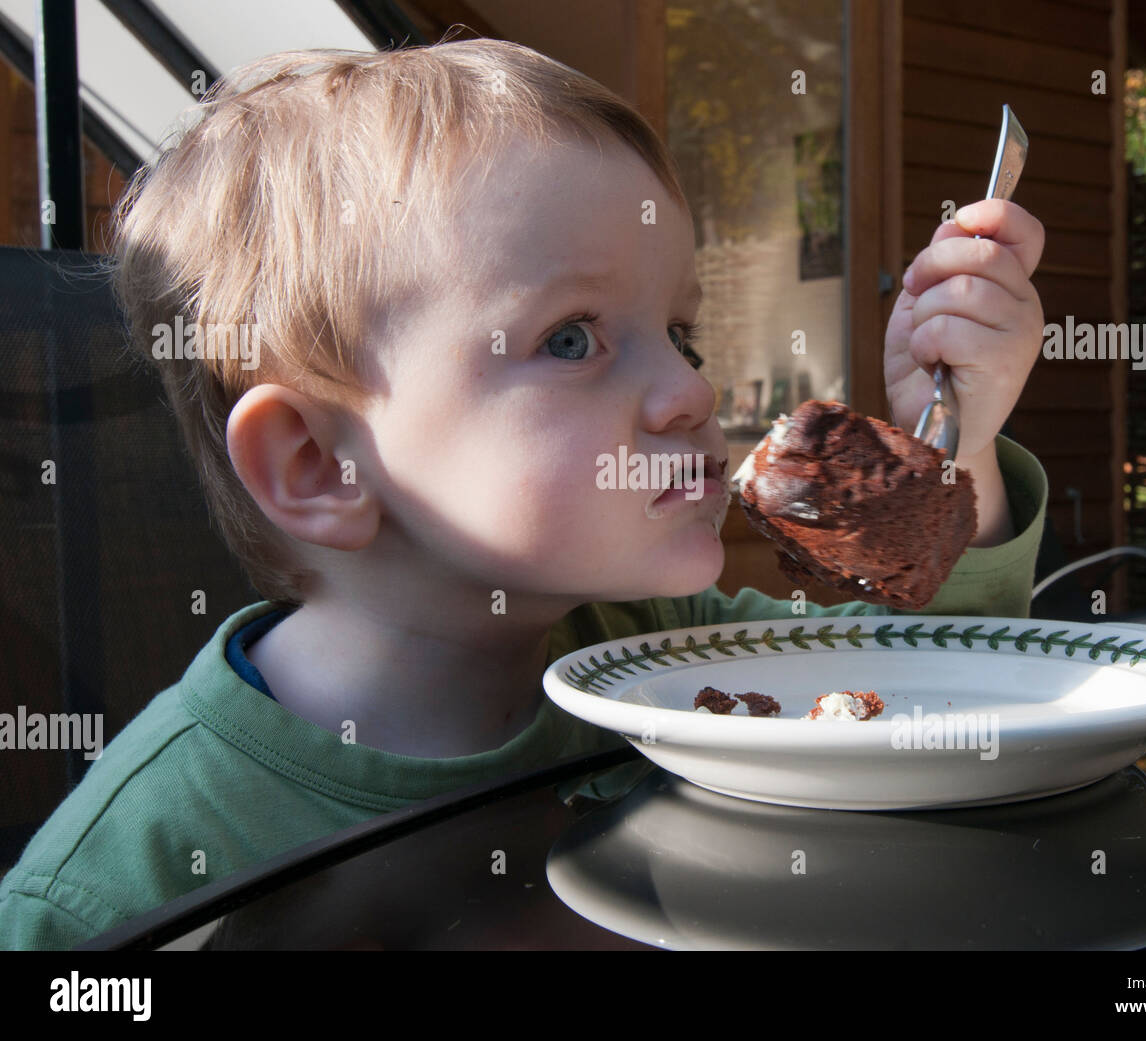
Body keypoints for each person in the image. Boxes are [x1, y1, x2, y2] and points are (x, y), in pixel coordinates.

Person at [0, 37, 1046, 949]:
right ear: (318, 465)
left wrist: (958, 440)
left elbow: (945, 684)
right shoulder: (115, 889)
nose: (691, 391)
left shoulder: (668, 652)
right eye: (573, 339)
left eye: (679, 334)